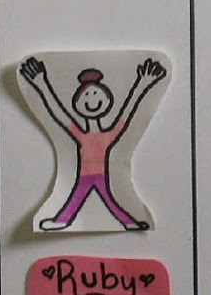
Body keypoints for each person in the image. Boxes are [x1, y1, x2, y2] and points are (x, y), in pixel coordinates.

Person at [19, 56, 165, 231]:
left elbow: (127, 113)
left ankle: (125, 222)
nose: (92, 99)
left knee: (104, 201)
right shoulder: (80, 134)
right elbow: (59, 114)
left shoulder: (109, 134)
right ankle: (123, 222)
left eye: (96, 94)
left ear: (107, 100)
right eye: (87, 95)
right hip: (85, 176)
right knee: (88, 201)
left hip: (100, 175)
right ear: (77, 103)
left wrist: (142, 84)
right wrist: (42, 84)